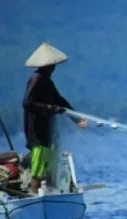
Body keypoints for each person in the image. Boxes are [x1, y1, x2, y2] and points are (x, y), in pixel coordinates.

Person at [22, 42, 88, 193]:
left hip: (46, 131)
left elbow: (59, 100)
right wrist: (50, 108)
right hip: (36, 132)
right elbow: (27, 103)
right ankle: (35, 194)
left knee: (49, 164)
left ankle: (50, 193)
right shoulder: (36, 79)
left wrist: (76, 118)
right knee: (37, 169)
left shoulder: (47, 81)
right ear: (45, 65)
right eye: (52, 65)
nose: (54, 67)